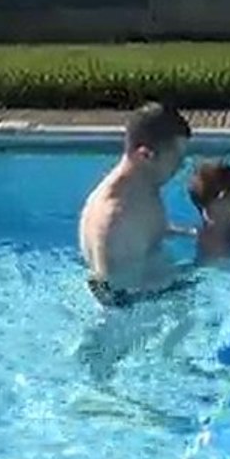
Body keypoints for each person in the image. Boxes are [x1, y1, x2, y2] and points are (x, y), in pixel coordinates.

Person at [78, 101, 194, 307]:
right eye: (176, 159)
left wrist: (198, 235)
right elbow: (119, 304)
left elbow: (148, 232)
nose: (181, 167)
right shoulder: (115, 221)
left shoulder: (141, 189)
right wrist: (194, 278)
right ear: (145, 155)